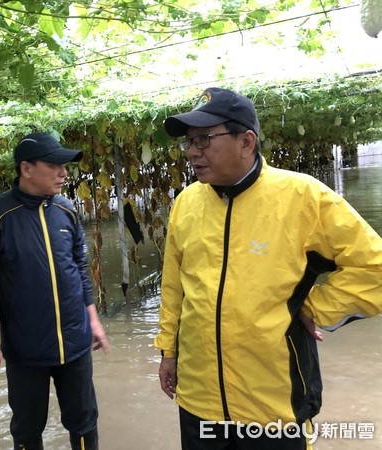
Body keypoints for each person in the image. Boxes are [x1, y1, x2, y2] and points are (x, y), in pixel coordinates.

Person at [154, 87, 382, 449]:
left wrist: (314, 307)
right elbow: (174, 286)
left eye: (204, 139)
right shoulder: (186, 203)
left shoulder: (302, 197)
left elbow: (374, 266)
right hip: (200, 400)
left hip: (273, 404)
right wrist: (169, 351)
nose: (193, 152)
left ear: (246, 142)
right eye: (188, 142)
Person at [0, 132, 110, 450]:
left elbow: (80, 271)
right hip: (26, 349)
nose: (63, 172)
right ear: (26, 169)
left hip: (75, 343)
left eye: (64, 165)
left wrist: (93, 321)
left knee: (84, 421)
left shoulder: (67, 211)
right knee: (28, 429)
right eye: (54, 164)